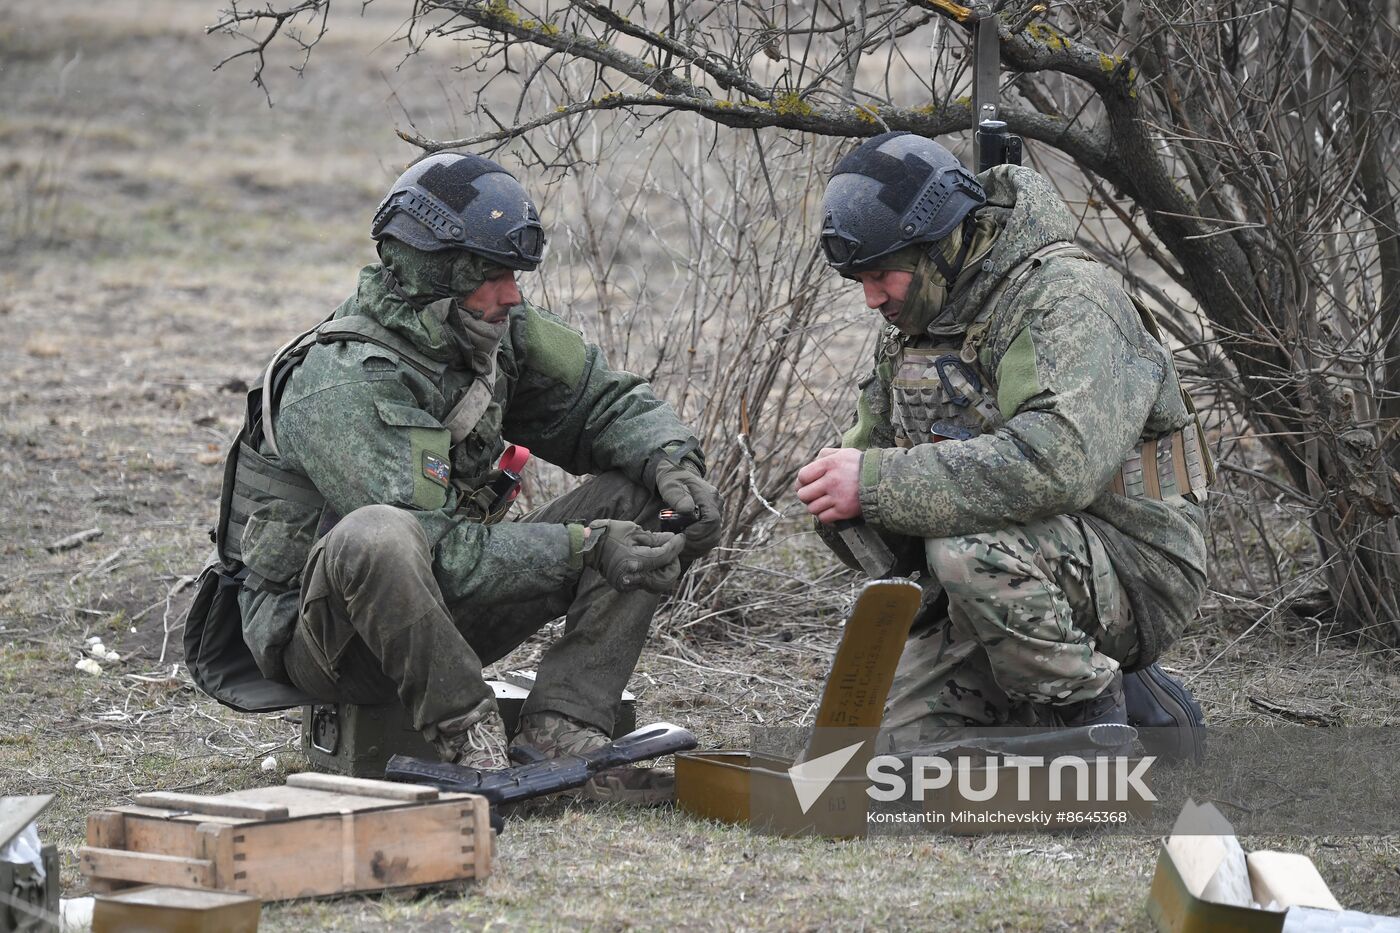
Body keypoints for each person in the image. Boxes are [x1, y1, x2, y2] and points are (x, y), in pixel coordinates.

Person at [214, 152, 722, 795]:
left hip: (449, 607)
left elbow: (603, 401)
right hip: (332, 641)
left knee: (638, 492)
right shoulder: (342, 382)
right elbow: (434, 546)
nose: (512, 294)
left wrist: (673, 463)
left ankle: (564, 726)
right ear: (437, 275)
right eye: (492, 275)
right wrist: (588, 547)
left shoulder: (493, 331)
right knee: (378, 534)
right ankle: (468, 740)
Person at [796, 132, 1208, 757]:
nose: (872, 297)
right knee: (872, 761)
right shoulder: (916, 324)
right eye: (861, 280)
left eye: (883, 276)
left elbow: (1057, 462)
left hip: (1134, 567)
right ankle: (1120, 712)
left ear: (940, 246)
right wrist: (842, 500)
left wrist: (878, 485)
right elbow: (875, 462)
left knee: (966, 543)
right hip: (992, 578)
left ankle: (1096, 722)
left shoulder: (1069, 298)